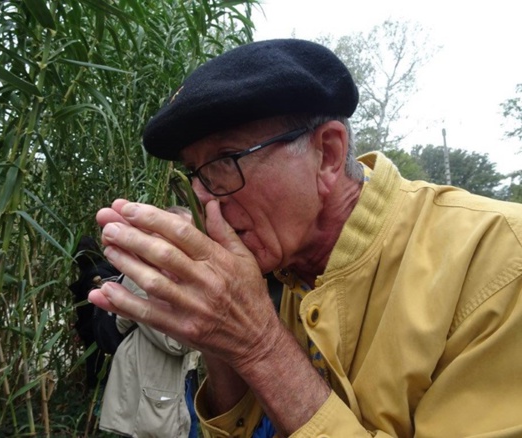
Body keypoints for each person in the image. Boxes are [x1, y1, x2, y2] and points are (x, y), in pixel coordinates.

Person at [88, 39, 522, 437]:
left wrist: (259, 344)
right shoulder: (285, 263)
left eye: (226, 160)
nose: (206, 202)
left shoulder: (498, 258)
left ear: (328, 154)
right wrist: (215, 332)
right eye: (196, 174)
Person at [99, 206, 201, 438]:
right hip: (151, 383)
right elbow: (176, 343)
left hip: (181, 381)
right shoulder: (144, 278)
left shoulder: (175, 278)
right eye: (178, 233)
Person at [69, 236, 120, 389]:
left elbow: (96, 311)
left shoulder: (95, 274)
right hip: (110, 335)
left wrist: (83, 329)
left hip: (100, 337)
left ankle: (98, 406)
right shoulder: (107, 268)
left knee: (100, 376)